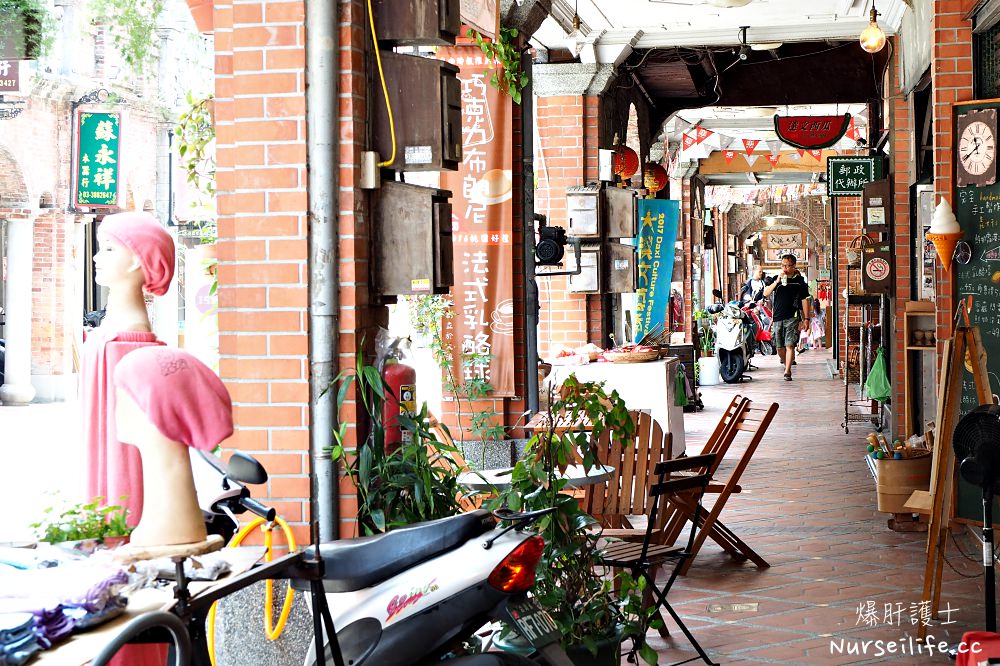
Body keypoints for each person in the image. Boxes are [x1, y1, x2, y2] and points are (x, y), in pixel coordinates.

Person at [82, 212, 175, 527]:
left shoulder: (129, 334)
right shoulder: (115, 327)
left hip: (122, 504)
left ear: (137, 260)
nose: (97, 257)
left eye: (109, 249)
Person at [762, 254, 811, 381]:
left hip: (792, 317)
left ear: (794, 266)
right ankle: (786, 364)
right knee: (779, 347)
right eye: (783, 265)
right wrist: (777, 281)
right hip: (777, 317)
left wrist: (806, 319)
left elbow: (805, 300)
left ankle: (787, 371)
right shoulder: (776, 280)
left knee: (790, 345)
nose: (786, 268)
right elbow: (765, 293)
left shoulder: (799, 282)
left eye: (789, 266)